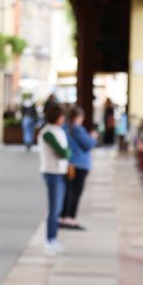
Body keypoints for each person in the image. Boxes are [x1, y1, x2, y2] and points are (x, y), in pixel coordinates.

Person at [37, 104, 71, 256]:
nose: (63, 119)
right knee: (54, 208)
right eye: (61, 116)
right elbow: (63, 151)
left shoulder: (58, 131)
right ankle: (49, 240)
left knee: (58, 208)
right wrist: (67, 153)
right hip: (52, 172)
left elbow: (66, 151)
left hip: (59, 172)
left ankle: (54, 238)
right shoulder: (48, 133)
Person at [60, 106, 98, 230]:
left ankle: (63, 217)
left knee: (68, 192)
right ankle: (71, 219)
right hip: (80, 165)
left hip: (68, 164)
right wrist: (93, 137)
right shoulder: (77, 129)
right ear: (78, 117)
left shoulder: (64, 128)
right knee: (76, 193)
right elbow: (89, 144)